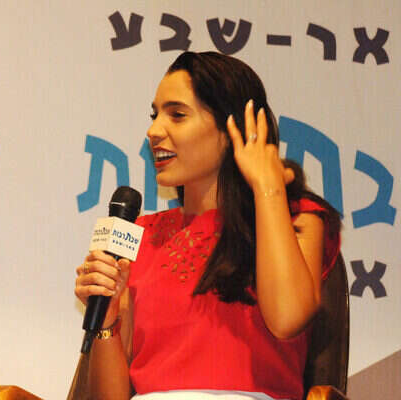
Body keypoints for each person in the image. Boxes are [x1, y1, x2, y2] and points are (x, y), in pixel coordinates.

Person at [74, 51, 341, 400]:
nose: (153, 131)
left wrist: (268, 187)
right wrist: (107, 322)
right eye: (155, 115)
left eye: (177, 115)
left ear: (233, 128)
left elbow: (288, 318)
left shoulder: (296, 218)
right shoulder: (138, 235)